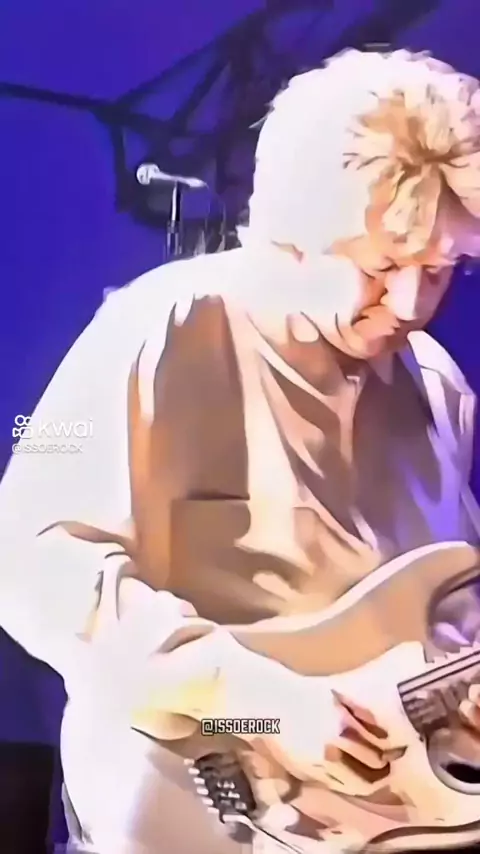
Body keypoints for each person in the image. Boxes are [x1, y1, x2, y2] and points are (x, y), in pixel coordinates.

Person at [1, 48, 480, 854]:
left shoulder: (439, 387)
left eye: (439, 271)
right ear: (292, 238)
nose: (409, 304)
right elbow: (25, 558)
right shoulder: (147, 328)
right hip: (193, 787)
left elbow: (447, 605)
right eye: (382, 266)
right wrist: (260, 701)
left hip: (381, 823)